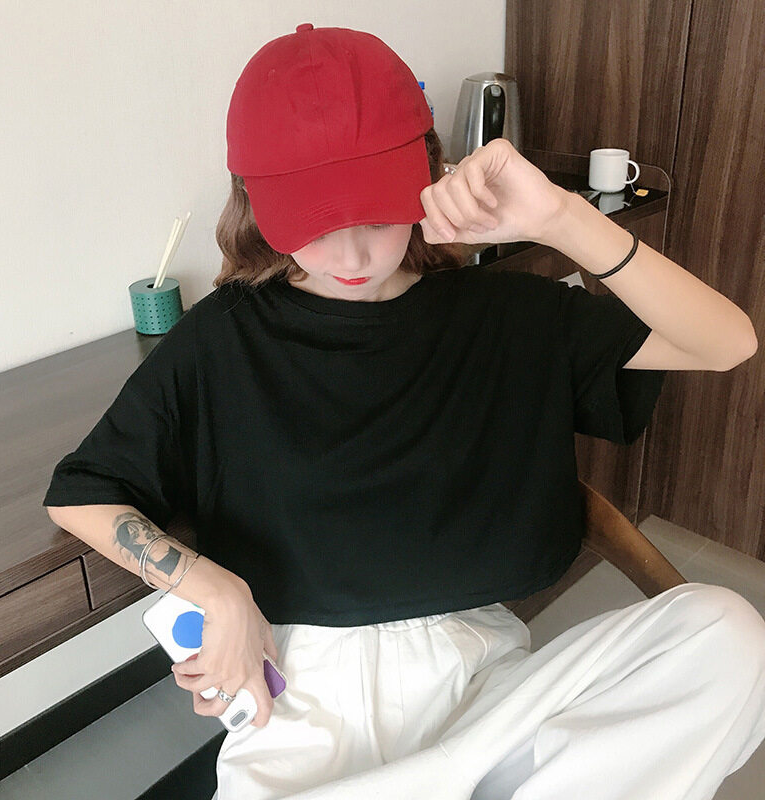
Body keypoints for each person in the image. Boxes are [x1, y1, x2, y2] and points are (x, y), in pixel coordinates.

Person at [43, 23, 765, 800]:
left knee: (727, 635)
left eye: (378, 217)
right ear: (254, 200)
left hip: (484, 688)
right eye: (318, 222)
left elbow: (727, 343)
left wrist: (561, 218)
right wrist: (216, 591)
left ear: (427, 173)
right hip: (303, 712)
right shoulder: (221, 341)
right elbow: (82, 494)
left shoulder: (509, 315)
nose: (352, 255)